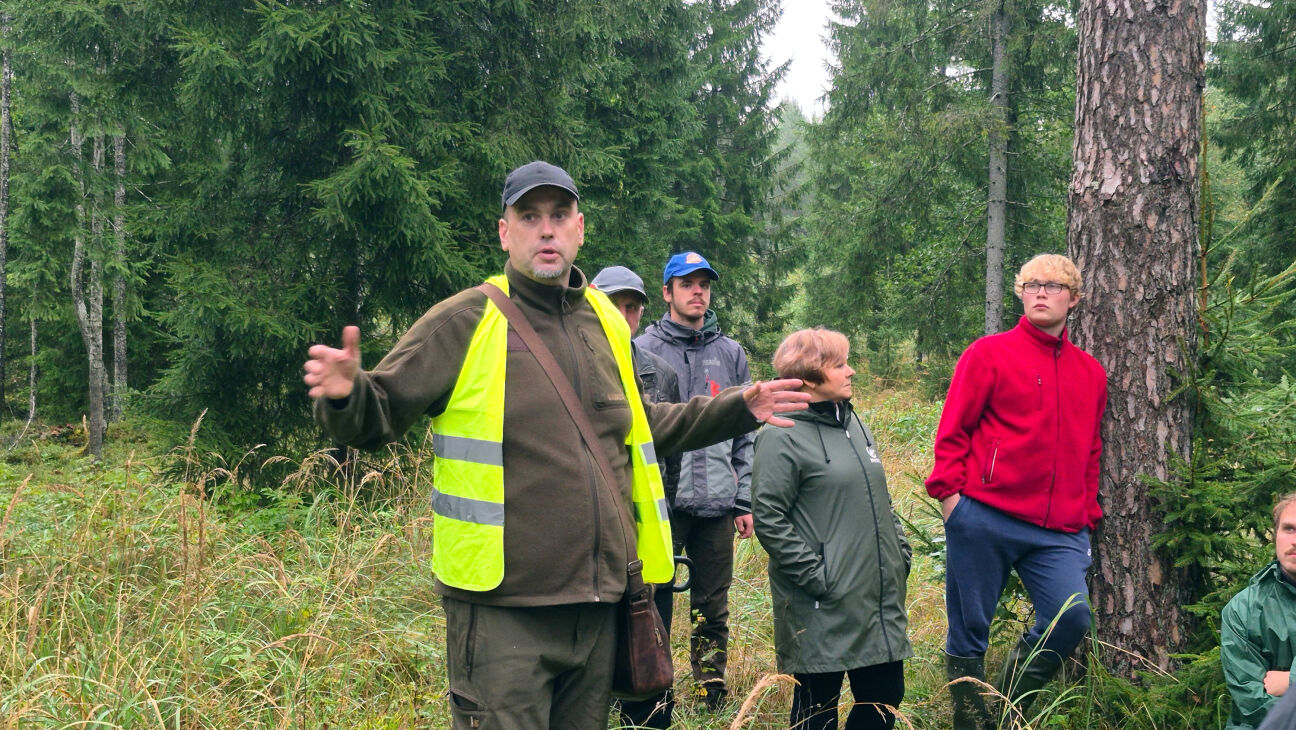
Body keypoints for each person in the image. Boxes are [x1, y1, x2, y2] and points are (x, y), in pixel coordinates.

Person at [303, 161, 811, 730]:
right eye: (529, 216)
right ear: (505, 233)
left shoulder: (605, 321)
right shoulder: (467, 320)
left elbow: (641, 427)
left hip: (598, 610)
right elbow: (377, 415)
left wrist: (739, 407)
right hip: (504, 616)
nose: (546, 229)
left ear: (580, 228)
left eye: (559, 215)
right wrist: (346, 395)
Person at [925, 254, 1107, 730]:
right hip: (984, 515)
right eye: (1031, 285)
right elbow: (954, 429)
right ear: (1021, 294)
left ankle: (1008, 711)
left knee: (1072, 617)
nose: (1040, 292)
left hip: (1059, 530)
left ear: (1074, 298)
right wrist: (951, 501)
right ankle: (970, 721)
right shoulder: (988, 354)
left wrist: (1086, 511)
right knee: (969, 632)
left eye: (1053, 285)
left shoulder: (1091, 372)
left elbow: (1091, 448)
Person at [753, 328, 912, 730]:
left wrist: (899, 552)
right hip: (820, 601)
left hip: (874, 596)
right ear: (808, 377)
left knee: (885, 699)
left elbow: (879, 499)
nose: (851, 371)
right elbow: (769, 517)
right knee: (816, 711)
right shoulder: (781, 434)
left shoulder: (854, 424)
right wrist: (817, 576)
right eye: (839, 365)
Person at [635, 251, 754, 710]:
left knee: (712, 605)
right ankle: (653, 692)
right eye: (687, 284)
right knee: (652, 602)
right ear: (667, 292)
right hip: (661, 506)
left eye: (703, 283)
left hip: (718, 502)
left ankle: (710, 691)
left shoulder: (730, 353)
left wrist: (743, 500)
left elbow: (745, 432)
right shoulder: (644, 349)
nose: (697, 291)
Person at [592, 264, 682, 729]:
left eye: (631, 307)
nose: (623, 316)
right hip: (595, 538)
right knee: (594, 663)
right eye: (614, 305)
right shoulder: (574, 365)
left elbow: (671, 455)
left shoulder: (660, 373)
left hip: (646, 541)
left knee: (648, 653)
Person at [1222, 492, 1296, 730]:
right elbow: (1253, 703)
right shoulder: (1243, 609)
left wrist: (1290, 680)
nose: (1295, 540)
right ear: (1276, 534)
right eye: (1289, 529)